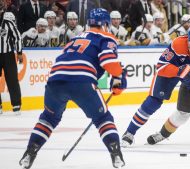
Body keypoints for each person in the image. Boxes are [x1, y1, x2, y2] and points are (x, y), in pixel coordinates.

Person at [19, 8, 127, 169]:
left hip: (55, 80)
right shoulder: (106, 37)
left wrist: (116, 77)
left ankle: (29, 153)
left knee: (48, 119)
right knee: (103, 118)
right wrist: (120, 77)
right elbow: (108, 62)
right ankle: (116, 156)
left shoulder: (76, 38)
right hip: (82, 81)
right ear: (105, 24)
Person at [121, 26, 190, 147]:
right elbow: (161, 66)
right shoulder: (178, 44)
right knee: (154, 102)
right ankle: (129, 133)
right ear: (188, 40)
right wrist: (179, 71)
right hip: (171, 71)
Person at [0, 0, 22, 115]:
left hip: (7, 54)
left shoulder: (8, 22)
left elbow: (17, 37)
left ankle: (16, 103)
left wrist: (19, 52)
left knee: (12, 79)